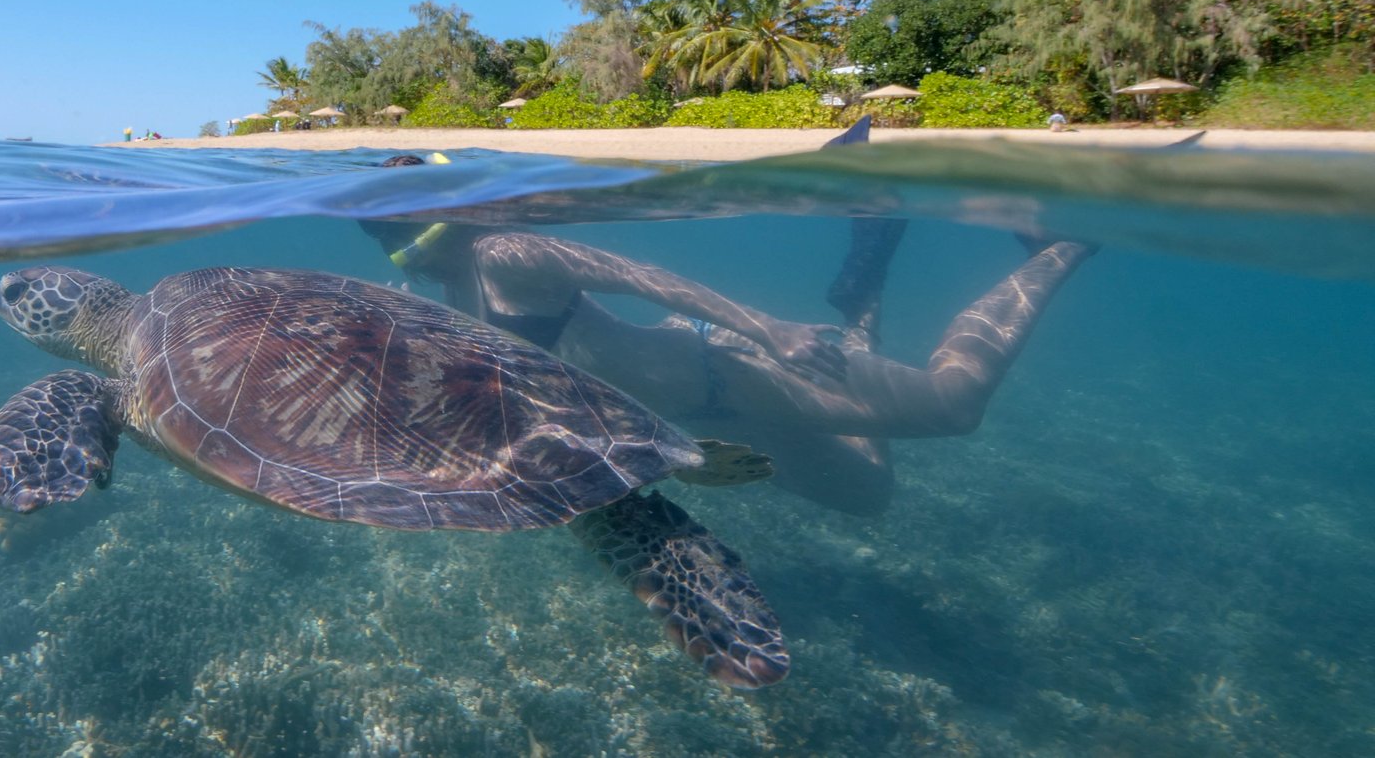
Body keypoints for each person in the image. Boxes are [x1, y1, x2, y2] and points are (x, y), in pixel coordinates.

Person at [362, 148, 1091, 514]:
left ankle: (1059, 248)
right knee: (867, 497)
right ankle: (860, 296)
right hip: (718, 411)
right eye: (381, 229)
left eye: (398, 224)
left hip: (733, 368)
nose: (397, 246)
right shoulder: (454, 284)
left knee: (953, 405)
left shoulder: (505, 252)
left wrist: (769, 328)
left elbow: (644, 278)